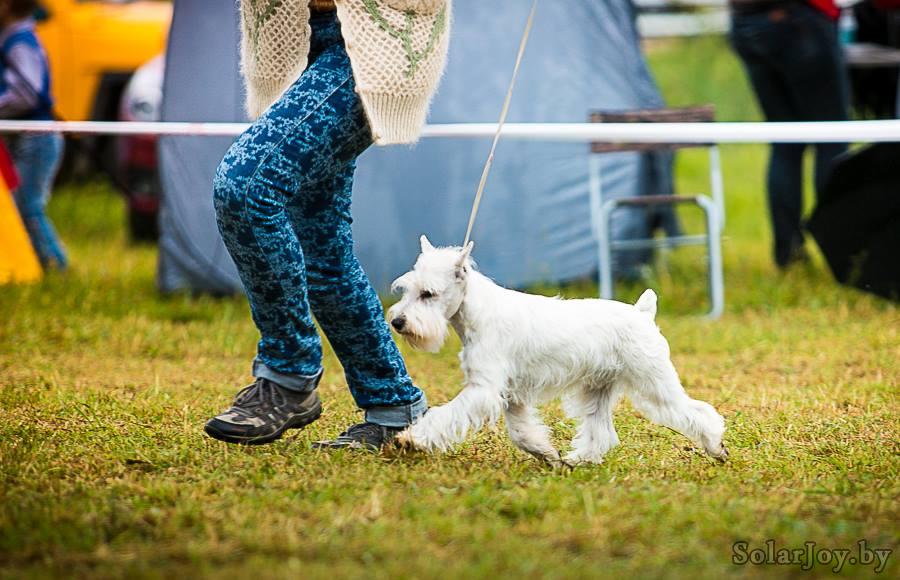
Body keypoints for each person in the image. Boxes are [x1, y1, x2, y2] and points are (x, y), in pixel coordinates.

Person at [204, 0, 451, 450]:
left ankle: (289, 371)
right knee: (321, 248)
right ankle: (393, 406)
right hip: (294, 44)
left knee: (244, 186)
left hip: (372, 46)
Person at [729, 0, 850, 269]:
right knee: (832, 138)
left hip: (746, 20)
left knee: (785, 144)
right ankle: (843, 255)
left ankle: (789, 254)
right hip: (798, 18)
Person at [0, 0, 66, 271]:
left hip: (36, 137)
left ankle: (55, 264)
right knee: (22, 205)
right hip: (26, 136)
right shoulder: (13, 38)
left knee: (28, 205)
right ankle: (41, 263)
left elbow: (27, 94)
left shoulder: (19, 42)